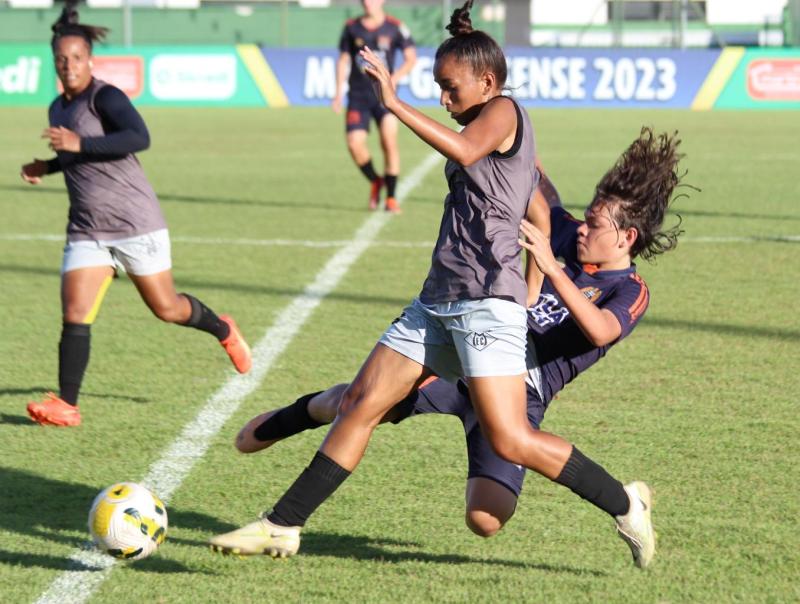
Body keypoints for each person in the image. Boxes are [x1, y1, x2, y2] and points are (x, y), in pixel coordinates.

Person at [210, 2, 675, 569]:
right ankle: (282, 525)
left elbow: (465, 150)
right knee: (360, 401)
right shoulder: (493, 131)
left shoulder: (503, 110)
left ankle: (624, 504)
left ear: (487, 81)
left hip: (485, 309)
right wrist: (536, 271)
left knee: (508, 448)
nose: (443, 98)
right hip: (440, 298)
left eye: (450, 88)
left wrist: (393, 102)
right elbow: (537, 205)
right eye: (436, 87)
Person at [20, 2, 252, 427]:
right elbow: (77, 155)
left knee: (167, 308)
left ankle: (223, 329)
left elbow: (137, 137)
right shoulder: (57, 107)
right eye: (61, 59)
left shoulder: (105, 96)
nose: (69, 66)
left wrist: (77, 146)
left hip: (133, 222)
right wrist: (47, 166)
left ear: (89, 59)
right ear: (53, 61)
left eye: (76, 58)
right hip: (87, 227)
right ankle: (67, 405)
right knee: (74, 312)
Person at [332, 0, 417, 213]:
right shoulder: (351, 27)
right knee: (354, 144)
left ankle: (391, 198)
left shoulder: (395, 26)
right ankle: (375, 180)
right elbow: (343, 59)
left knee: (388, 141)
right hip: (358, 97)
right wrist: (337, 93)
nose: (368, 2)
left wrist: (395, 77)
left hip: (384, 97)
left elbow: (411, 58)